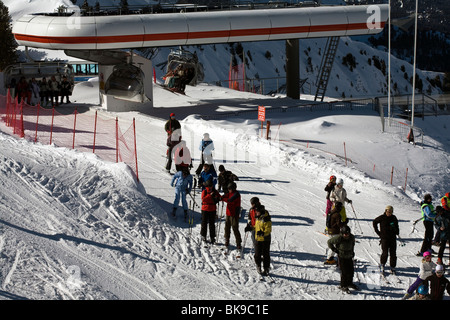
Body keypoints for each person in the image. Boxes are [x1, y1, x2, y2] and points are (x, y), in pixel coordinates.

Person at [327, 225, 357, 293]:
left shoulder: (351, 237)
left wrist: (352, 252)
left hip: (349, 256)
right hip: (342, 256)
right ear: (342, 233)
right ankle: (343, 285)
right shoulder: (339, 238)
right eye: (345, 234)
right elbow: (329, 242)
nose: (346, 235)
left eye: (347, 234)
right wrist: (334, 249)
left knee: (351, 270)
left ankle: (349, 283)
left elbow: (352, 244)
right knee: (344, 272)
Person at [373, 205, 399, 275]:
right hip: (384, 238)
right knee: (385, 253)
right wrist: (378, 232)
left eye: (390, 212)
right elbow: (374, 222)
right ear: (385, 211)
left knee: (393, 253)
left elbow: (397, 226)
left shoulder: (394, 218)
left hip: (393, 238)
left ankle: (393, 267)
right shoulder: (382, 217)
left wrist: (396, 231)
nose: (389, 213)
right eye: (388, 211)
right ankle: (382, 265)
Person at [221, 182, 242, 249]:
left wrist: (222, 199)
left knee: (235, 228)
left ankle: (238, 242)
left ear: (233, 188)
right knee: (227, 227)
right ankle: (227, 239)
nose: (229, 190)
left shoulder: (236, 194)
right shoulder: (230, 193)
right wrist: (220, 197)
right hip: (228, 213)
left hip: (234, 214)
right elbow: (226, 196)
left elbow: (230, 200)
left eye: (229, 189)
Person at [200, 179, 221, 245]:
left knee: (212, 224)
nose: (210, 187)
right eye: (209, 186)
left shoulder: (215, 191)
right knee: (204, 223)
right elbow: (203, 199)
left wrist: (218, 198)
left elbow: (219, 197)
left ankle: (212, 237)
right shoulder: (205, 191)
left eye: (211, 185)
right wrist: (210, 195)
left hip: (212, 209)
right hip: (205, 209)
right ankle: (203, 236)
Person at [254, 205, 272, 276]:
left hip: (265, 239)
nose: (256, 213)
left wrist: (263, 233)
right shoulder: (258, 218)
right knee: (257, 254)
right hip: (258, 239)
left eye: (257, 211)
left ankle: (266, 268)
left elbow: (268, 229)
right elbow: (257, 226)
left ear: (261, 212)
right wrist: (250, 227)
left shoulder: (266, 218)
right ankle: (258, 265)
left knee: (265, 254)